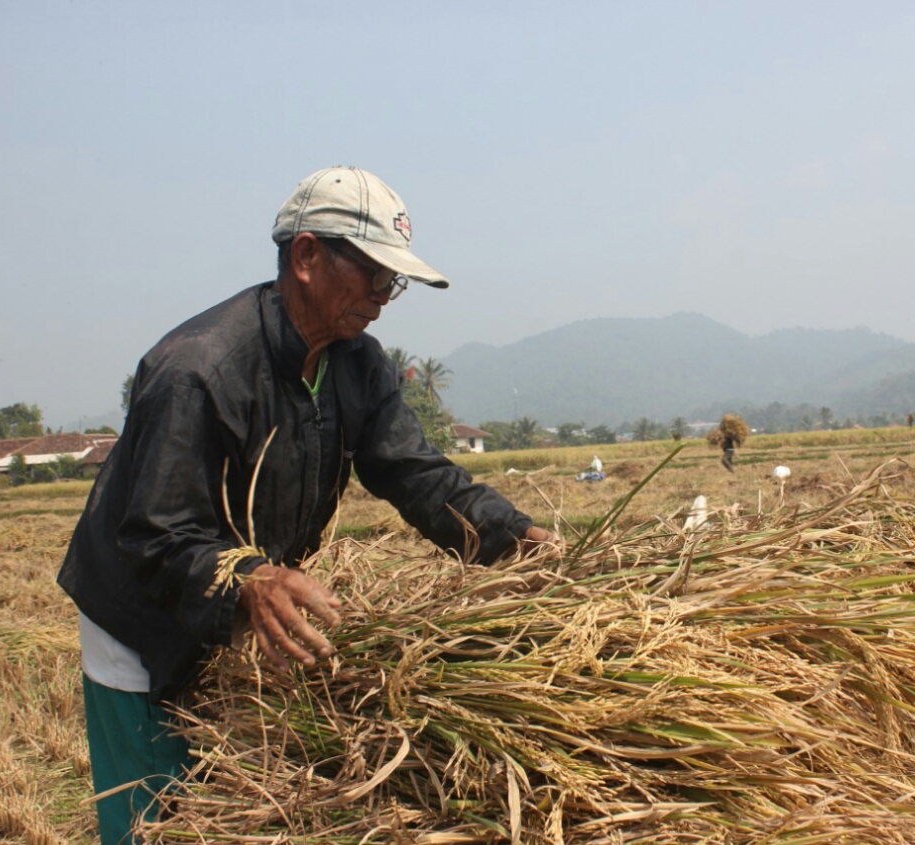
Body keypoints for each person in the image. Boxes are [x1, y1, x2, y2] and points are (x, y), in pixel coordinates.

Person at [57, 166, 556, 844]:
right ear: (307, 256)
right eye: (375, 272)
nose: (384, 296)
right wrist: (250, 578)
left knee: (233, 809)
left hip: (240, 611)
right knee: (157, 819)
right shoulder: (200, 370)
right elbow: (155, 534)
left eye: (393, 280)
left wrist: (520, 537)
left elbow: (418, 475)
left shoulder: (357, 363)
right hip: (139, 623)